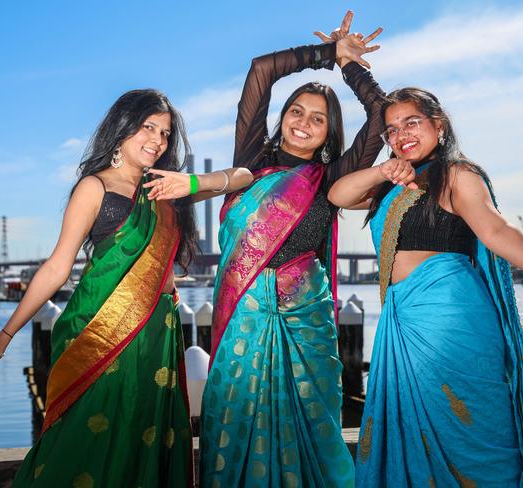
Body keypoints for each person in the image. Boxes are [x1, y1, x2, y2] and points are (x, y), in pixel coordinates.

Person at [0, 88, 253, 488]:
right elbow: (58, 266)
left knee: (144, 434)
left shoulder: (166, 188)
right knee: (88, 436)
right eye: (148, 127)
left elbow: (244, 177)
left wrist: (191, 182)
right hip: (97, 329)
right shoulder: (94, 188)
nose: (158, 141)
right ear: (122, 127)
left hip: (154, 334)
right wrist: (4, 338)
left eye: (165, 133)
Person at [328, 87, 523, 487]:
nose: (402, 134)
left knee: (469, 435)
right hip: (403, 318)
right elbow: (338, 194)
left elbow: (494, 229)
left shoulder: (456, 174)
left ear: (439, 126)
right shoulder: (390, 184)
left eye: (413, 123)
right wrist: (384, 169)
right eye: (392, 130)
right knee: (412, 430)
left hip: (451, 318)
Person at [199, 12, 385, 488]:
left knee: (315, 428)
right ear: (281, 117)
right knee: (237, 418)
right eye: (296, 111)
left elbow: (380, 113)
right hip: (243, 312)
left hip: (307, 321)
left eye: (318, 119)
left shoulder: (334, 178)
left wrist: (351, 67)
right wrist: (325, 54)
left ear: (329, 133)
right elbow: (262, 69)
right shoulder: (249, 163)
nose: (304, 123)